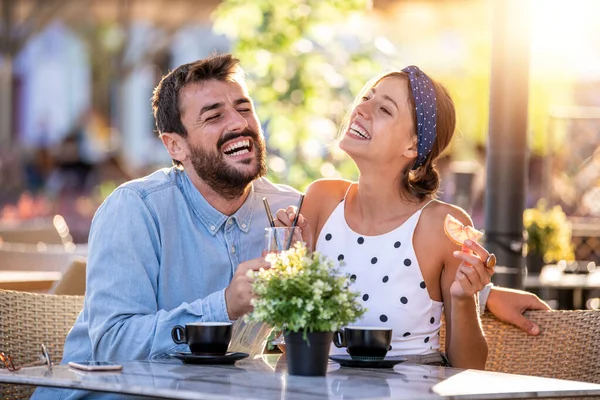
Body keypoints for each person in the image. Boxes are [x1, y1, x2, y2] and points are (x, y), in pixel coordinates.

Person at [34, 53, 547, 398]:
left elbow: (388, 263)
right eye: (212, 115)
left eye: (243, 107)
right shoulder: (135, 210)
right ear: (175, 146)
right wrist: (224, 305)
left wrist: (485, 296)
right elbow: (110, 346)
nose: (236, 122)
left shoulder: (288, 206)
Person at [275, 66, 550, 369]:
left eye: (384, 109)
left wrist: (464, 298)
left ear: (413, 146)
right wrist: (286, 266)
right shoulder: (321, 201)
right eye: (366, 97)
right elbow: (290, 341)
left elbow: (468, 369)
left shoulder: (443, 227)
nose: (361, 109)